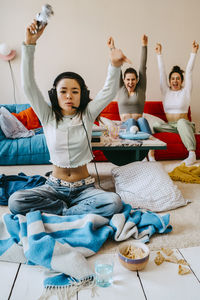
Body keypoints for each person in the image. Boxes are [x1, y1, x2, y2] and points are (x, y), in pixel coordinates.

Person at [8, 20, 130, 217]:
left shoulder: (87, 114)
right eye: (63, 91)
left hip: (85, 188)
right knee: (16, 201)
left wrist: (114, 66)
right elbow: (28, 86)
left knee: (114, 202)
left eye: (75, 91)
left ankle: (65, 212)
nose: (68, 96)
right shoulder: (47, 116)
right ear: (55, 94)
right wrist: (29, 45)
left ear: (81, 95)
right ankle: (67, 211)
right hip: (54, 187)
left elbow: (108, 92)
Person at [149, 41, 199, 165]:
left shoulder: (186, 91)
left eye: (178, 78)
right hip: (171, 127)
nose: (175, 80)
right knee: (154, 125)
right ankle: (148, 153)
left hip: (185, 124)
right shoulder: (165, 91)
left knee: (182, 122)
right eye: (172, 78)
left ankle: (192, 154)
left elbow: (189, 71)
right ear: (169, 81)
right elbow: (162, 72)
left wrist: (193, 53)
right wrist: (159, 54)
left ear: (182, 81)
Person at [108, 35, 152, 135]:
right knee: (131, 121)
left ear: (137, 80)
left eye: (133, 79)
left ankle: (151, 148)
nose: (130, 82)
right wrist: (112, 48)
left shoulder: (141, 88)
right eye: (128, 79)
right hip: (125, 127)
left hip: (140, 126)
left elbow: (142, 66)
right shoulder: (121, 88)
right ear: (123, 80)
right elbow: (116, 66)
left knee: (142, 121)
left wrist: (144, 45)